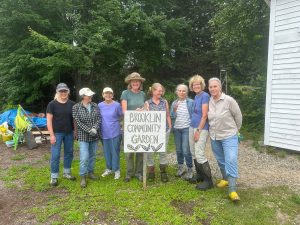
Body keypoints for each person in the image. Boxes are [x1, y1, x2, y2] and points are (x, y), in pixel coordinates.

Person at [208, 77, 242, 201]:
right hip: (214, 136)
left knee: (231, 160)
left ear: (220, 87)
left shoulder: (229, 101)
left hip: (229, 136)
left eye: (215, 86)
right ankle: (225, 179)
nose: (212, 89)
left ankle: (232, 190)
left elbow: (238, 117)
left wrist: (235, 131)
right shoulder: (209, 101)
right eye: (210, 87)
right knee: (221, 159)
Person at [46, 83, 76, 186]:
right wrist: (51, 135)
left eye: (65, 91)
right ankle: (54, 177)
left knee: (69, 153)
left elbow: (74, 120)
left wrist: (75, 131)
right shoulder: (52, 104)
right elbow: (49, 121)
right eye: (61, 91)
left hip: (69, 133)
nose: (63, 93)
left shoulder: (72, 104)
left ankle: (67, 172)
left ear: (68, 92)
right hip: (57, 133)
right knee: (55, 155)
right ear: (57, 92)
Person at [72, 88, 101, 188]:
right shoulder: (76, 107)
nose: (91, 97)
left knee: (92, 155)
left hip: (94, 135)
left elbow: (99, 118)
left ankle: (91, 172)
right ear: (83, 96)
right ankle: (83, 176)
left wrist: (95, 128)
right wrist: (90, 130)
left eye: (91, 95)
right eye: (89, 95)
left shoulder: (95, 105)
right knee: (84, 157)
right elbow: (78, 122)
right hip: (83, 136)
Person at [189, 75, 213, 190]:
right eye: (194, 84)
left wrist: (198, 130)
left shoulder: (205, 96)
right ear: (192, 86)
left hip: (201, 128)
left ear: (202, 85)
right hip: (192, 126)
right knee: (193, 152)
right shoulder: (196, 96)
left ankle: (208, 181)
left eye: (198, 84)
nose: (196, 86)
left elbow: (204, 115)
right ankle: (199, 175)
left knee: (199, 153)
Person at [121, 72, 146, 182]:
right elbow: (124, 111)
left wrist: (142, 110)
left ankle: (139, 173)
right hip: (129, 126)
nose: (135, 82)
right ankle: (129, 173)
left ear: (140, 82)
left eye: (137, 81)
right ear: (130, 83)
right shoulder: (125, 93)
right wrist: (134, 112)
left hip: (141, 126)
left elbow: (145, 108)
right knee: (130, 151)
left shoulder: (143, 94)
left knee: (140, 149)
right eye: (133, 81)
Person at [144, 83, 172, 182]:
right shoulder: (147, 103)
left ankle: (163, 173)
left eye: (161, 91)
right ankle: (151, 172)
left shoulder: (164, 102)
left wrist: (170, 127)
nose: (161, 92)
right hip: (151, 132)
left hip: (164, 130)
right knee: (149, 152)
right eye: (158, 91)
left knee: (162, 151)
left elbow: (168, 115)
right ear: (153, 91)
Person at [98, 87, 123, 180]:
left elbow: (121, 116)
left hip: (115, 132)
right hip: (104, 132)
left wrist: (117, 123)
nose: (108, 95)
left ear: (112, 95)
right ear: (103, 95)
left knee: (115, 151)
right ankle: (109, 168)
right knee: (107, 152)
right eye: (106, 93)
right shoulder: (99, 105)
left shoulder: (117, 105)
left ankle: (116, 170)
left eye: (110, 93)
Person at [170, 84, 194, 180]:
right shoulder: (174, 103)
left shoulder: (191, 102)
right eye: (179, 90)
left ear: (186, 92)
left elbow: (194, 115)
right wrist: (174, 111)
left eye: (183, 91)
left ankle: (190, 169)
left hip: (186, 128)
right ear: (176, 92)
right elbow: (172, 116)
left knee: (185, 150)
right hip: (176, 129)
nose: (181, 92)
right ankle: (181, 168)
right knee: (179, 150)